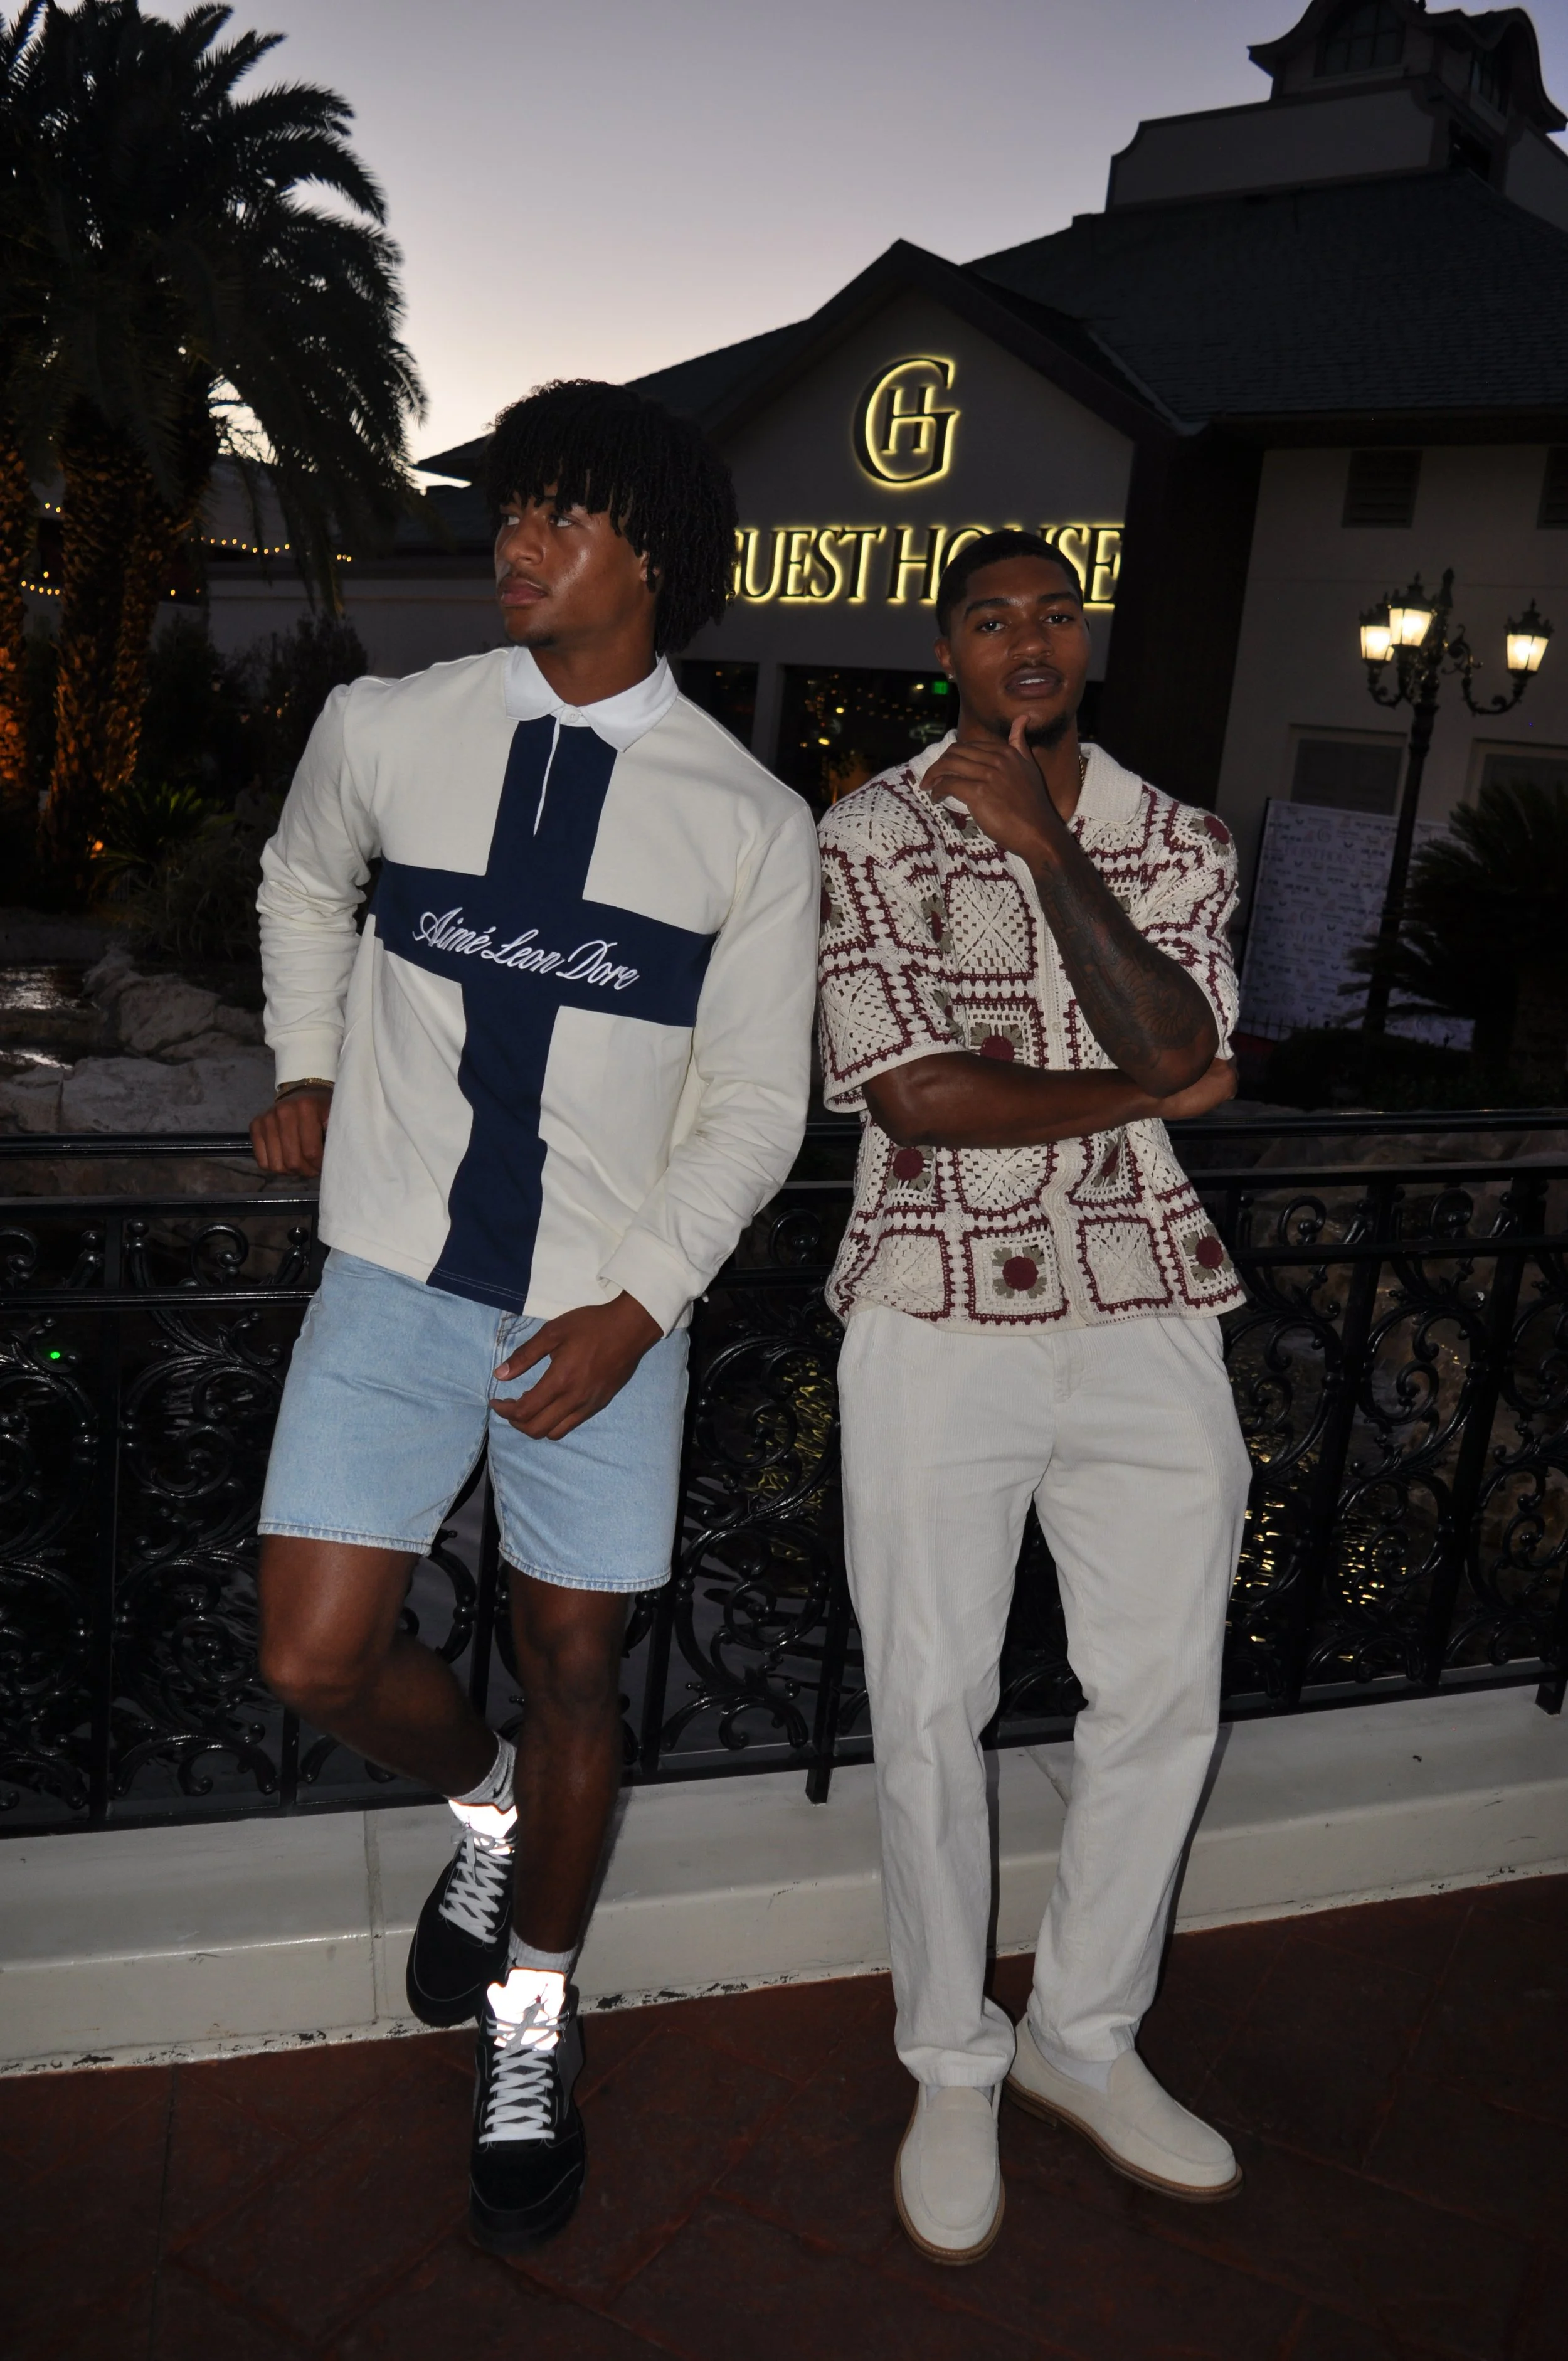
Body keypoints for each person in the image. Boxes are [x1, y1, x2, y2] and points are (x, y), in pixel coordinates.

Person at [248, 379, 819, 2254]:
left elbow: (756, 1105)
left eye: (553, 515)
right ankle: (483, 1808)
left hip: (599, 1315)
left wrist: (640, 1308)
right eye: (507, 509)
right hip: (395, 1276)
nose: (510, 541)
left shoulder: (745, 819)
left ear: (649, 549)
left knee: (580, 1669)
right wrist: (312, 1060)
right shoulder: (387, 726)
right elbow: (304, 877)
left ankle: (530, 2017)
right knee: (317, 1659)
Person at [816, 528, 1253, 2264]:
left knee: (1162, 1694)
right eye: (990, 615)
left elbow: (1177, 1033)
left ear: (1086, 641)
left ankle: (1082, 2035)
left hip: (1147, 1304)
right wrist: (1152, 1092)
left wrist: (1052, 852)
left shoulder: (1175, 838)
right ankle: (949, 2051)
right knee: (927, 1701)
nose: (1028, 638)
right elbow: (918, 1097)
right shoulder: (863, 834)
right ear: (948, 646)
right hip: (932, 1311)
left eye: (1053, 612)